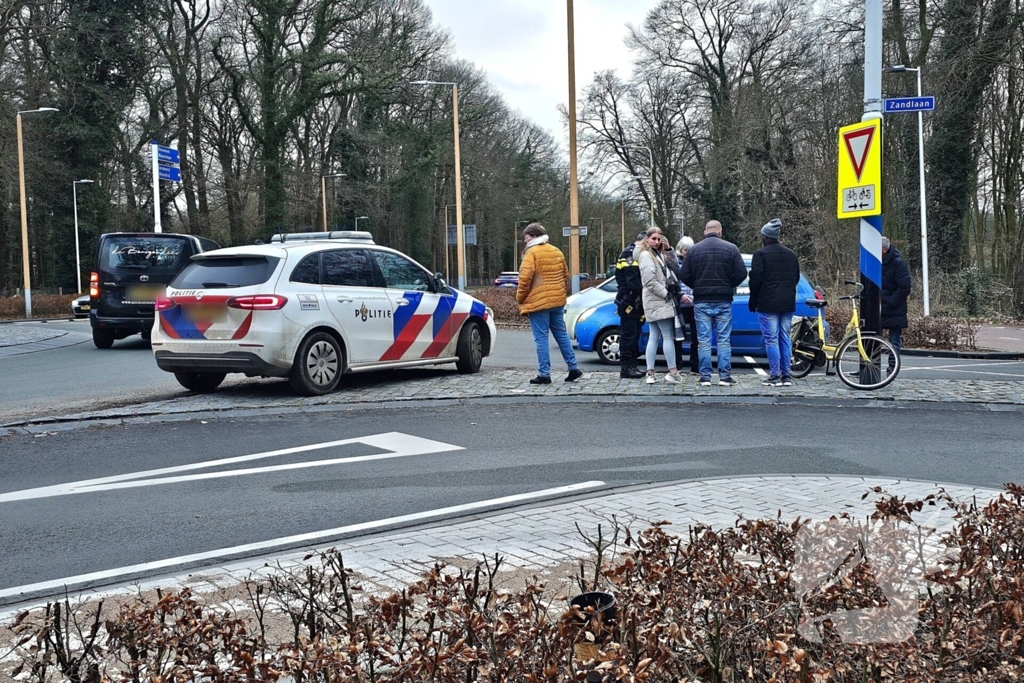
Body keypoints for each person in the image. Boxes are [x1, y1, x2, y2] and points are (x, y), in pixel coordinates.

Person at [679, 220, 747, 386]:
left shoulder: (694, 251)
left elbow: (683, 275)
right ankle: (724, 376)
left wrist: (697, 286)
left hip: (701, 300)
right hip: (723, 299)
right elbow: (742, 273)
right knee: (723, 340)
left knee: (704, 340)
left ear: (705, 232)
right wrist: (728, 285)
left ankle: (705, 376)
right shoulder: (731, 249)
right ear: (720, 231)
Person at [516, 223, 583, 385]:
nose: (524, 241)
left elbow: (524, 280)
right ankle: (573, 368)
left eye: (526, 237)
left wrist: (520, 298)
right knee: (561, 334)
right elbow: (565, 275)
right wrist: (559, 293)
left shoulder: (531, 254)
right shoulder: (556, 251)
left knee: (541, 338)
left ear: (533, 236)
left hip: (538, 303)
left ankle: (544, 374)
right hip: (557, 302)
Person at [748, 218, 800, 387]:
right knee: (785, 337)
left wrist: (753, 300)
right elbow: (796, 278)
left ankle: (775, 375)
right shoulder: (791, 254)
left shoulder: (760, 255)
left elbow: (755, 280)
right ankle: (786, 375)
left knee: (771, 339)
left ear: (765, 236)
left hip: (768, 303)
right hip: (787, 302)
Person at [637, 228, 683, 384]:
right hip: (658, 300)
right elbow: (649, 281)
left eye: (659, 239)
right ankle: (673, 372)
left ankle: (650, 373)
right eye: (654, 239)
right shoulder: (646, 256)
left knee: (654, 337)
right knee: (668, 336)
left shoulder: (657, 254)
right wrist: (666, 294)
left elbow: (675, 266)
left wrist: (668, 249)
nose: (657, 242)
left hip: (655, 301)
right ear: (647, 239)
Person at [614, 231, 648, 379]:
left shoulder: (636, 253)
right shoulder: (630, 254)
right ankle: (626, 368)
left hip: (636, 301)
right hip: (629, 301)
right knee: (628, 335)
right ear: (644, 241)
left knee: (634, 335)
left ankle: (632, 365)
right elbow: (632, 282)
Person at [881, 236, 911, 370]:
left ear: (885, 250)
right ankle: (866, 366)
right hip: (880, 306)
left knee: (894, 341)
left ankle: (892, 369)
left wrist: (892, 301)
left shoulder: (898, 264)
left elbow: (905, 287)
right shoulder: (876, 262)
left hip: (894, 308)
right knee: (869, 338)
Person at [669, 237, 698, 374]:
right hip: (679, 303)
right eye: (686, 250)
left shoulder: (695, 262)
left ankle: (695, 366)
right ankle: (678, 366)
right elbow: (673, 282)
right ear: (680, 249)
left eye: (690, 250)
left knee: (696, 336)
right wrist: (681, 295)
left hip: (693, 303)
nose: (688, 252)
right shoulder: (674, 264)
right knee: (678, 336)